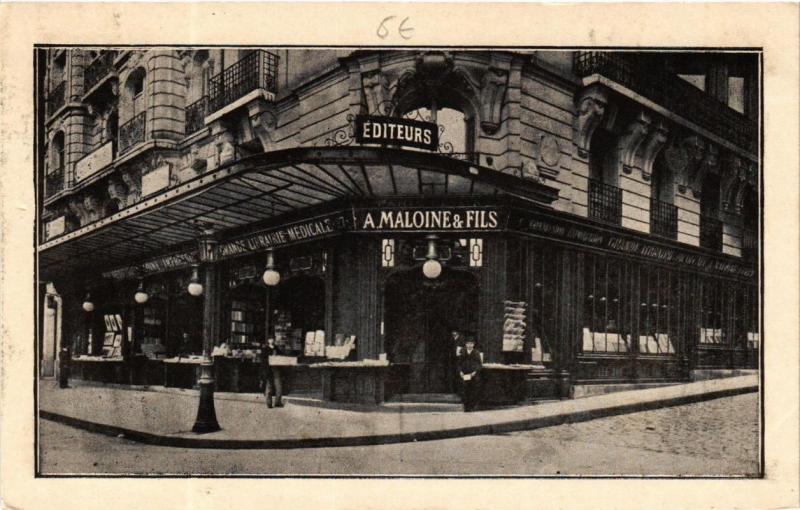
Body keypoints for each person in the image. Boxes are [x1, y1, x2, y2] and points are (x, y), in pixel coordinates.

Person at [457, 337, 482, 412]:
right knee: (464, 389)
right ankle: (466, 406)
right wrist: (460, 371)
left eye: (471, 344)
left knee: (473, 390)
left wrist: (475, 372)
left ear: (473, 345)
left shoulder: (476, 352)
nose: (469, 345)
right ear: (466, 344)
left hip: (473, 374)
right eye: (468, 344)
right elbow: (459, 364)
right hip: (464, 374)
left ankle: (472, 406)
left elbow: (479, 364)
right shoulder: (463, 351)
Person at [262, 337, 284, 408]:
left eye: (272, 339)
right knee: (269, 385)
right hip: (269, 369)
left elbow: (281, 355)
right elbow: (264, 359)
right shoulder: (265, 349)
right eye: (270, 339)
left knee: (278, 385)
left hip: (276, 368)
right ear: (268, 340)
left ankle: (278, 402)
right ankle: (269, 403)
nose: (271, 340)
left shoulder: (276, 348)